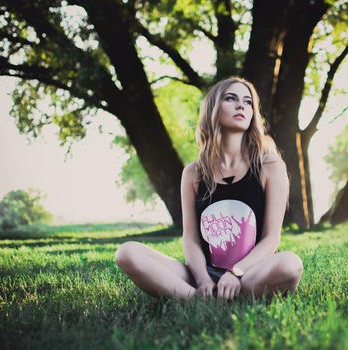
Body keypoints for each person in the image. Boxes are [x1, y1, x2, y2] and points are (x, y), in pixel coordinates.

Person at [115, 77, 303, 301]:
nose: (241, 105)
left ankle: (222, 296)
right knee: (127, 253)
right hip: (203, 272)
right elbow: (191, 240)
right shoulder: (193, 173)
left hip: (250, 272)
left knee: (291, 264)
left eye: (248, 101)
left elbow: (271, 239)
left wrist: (236, 272)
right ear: (213, 109)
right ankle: (198, 299)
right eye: (231, 98)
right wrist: (203, 278)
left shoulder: (270, 166)